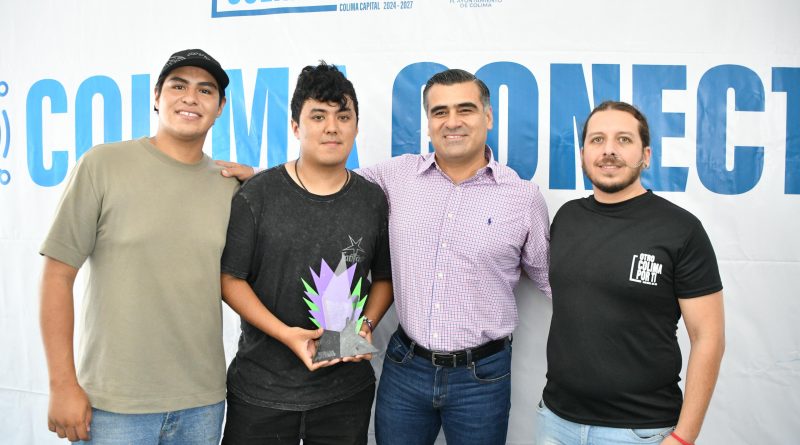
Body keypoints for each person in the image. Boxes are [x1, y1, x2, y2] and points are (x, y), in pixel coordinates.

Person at [39, 49, 236, 443]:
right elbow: (57, 276)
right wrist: (62, 384)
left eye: (205, 90)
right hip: (113, 407)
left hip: (202, 404)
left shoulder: (230, 186)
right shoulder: (102, 165)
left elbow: (236, 281)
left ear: (220, 108)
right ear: (156, 96)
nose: (191, 97)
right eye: (178, 86)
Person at [357, 68, 552, 445]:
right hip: (405, 367)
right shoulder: (396, 176)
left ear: (488, 117)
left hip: (482, 377)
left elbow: (552, 281)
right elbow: (327, 186)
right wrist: (258, 175)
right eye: (440, 112)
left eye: (465, 109)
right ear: (429, 122)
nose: (452, 122)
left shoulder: (523, 198)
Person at [219, 62, 393, 445]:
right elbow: (230, 279)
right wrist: (286, 334)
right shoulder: (257, 195)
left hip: (345, 395)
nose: (332, 127)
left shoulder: (372, 200)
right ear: (296, 127)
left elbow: (384, 278)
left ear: (356, 127)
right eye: (318, 116)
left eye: (343, 116)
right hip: (261, 391)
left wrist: (366, 325)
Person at [536, 101, 725, 445]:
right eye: (597, 140)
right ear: (583, 154)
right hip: (556, 422)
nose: (609, 150)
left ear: (646, 155)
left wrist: (684, 437)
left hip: (639, 431)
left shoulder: (681, 229)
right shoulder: (566, 218)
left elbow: (708, 337)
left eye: (623, 139)